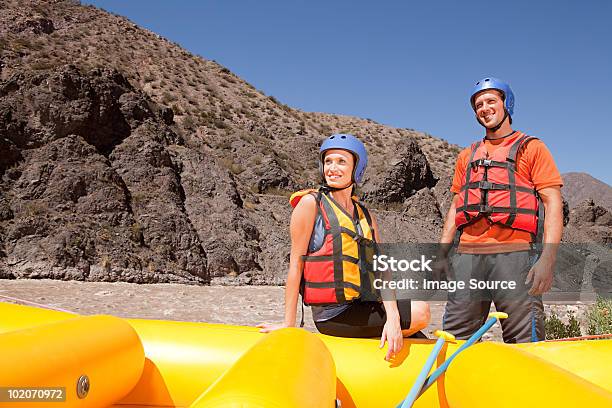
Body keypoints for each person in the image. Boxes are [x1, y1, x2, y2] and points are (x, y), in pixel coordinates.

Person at [258, 134, 430, 360]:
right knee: (421, 311)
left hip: (362, 305)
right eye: (328, 161)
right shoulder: (311, 205)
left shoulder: (365, 215)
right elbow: (295, 267)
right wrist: (288, 324)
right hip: (333, 316)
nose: (332, 168)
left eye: (341, 162)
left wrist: (393, 319)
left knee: (416, 331)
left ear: (356, 170)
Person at [436, 77, 563, 343]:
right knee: (453, 340)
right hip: (468, 257)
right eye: (478, 104)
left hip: (516, 256)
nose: (484, 108)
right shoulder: (466, 156)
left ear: (507, 104)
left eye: (491, 100)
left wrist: (547, 260)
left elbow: (552, 202)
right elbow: (456, 206)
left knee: (525, 344)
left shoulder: (532, 148)